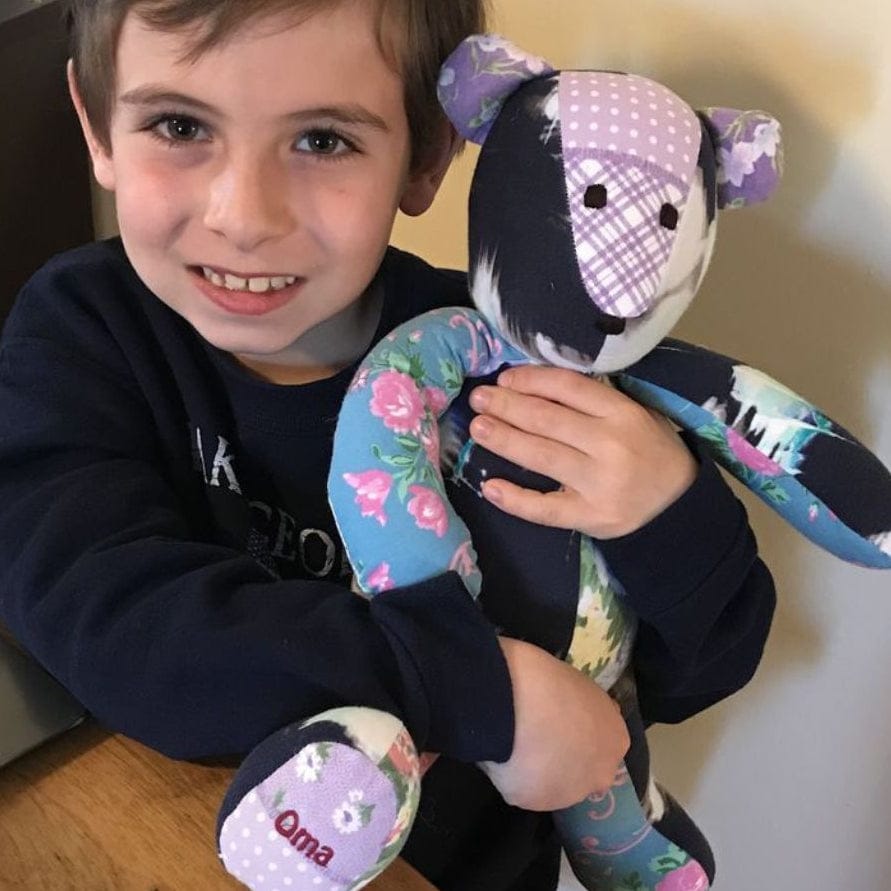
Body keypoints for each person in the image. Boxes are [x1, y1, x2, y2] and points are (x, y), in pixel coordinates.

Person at [0, 1, 776, 889]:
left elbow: (697, 671)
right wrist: (481, 692)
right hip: (161, 834)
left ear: (426, 155)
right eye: (179, 125)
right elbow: (104, 617)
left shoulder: (502, 366)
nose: (243, 215)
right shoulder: (80, 330)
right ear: (96, 125)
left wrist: (666, 508)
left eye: (323, 140)